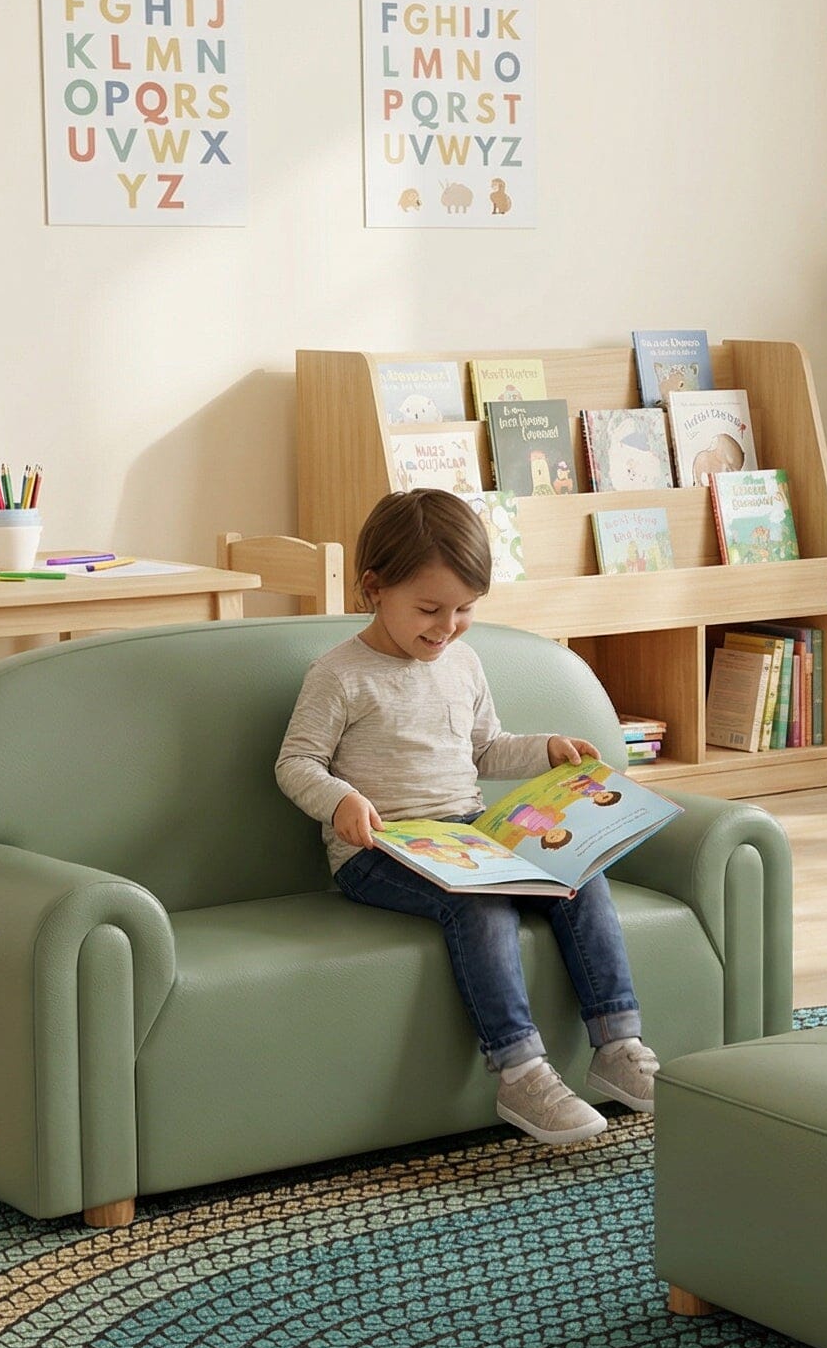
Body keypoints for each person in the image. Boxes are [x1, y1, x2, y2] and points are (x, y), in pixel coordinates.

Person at [275, 488, 657, 1144]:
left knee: (578, 875)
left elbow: (484, 748)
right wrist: (340, 801)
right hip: (381, 853)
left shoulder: (464, 663)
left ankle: (618, 1046)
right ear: (374, 588)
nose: (447, 626)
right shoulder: (340, 675)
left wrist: (547, 750)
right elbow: (296, 761)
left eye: (465, 610)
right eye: (429, 609)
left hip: (469, 836)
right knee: (480, 904)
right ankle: (520, 1072)